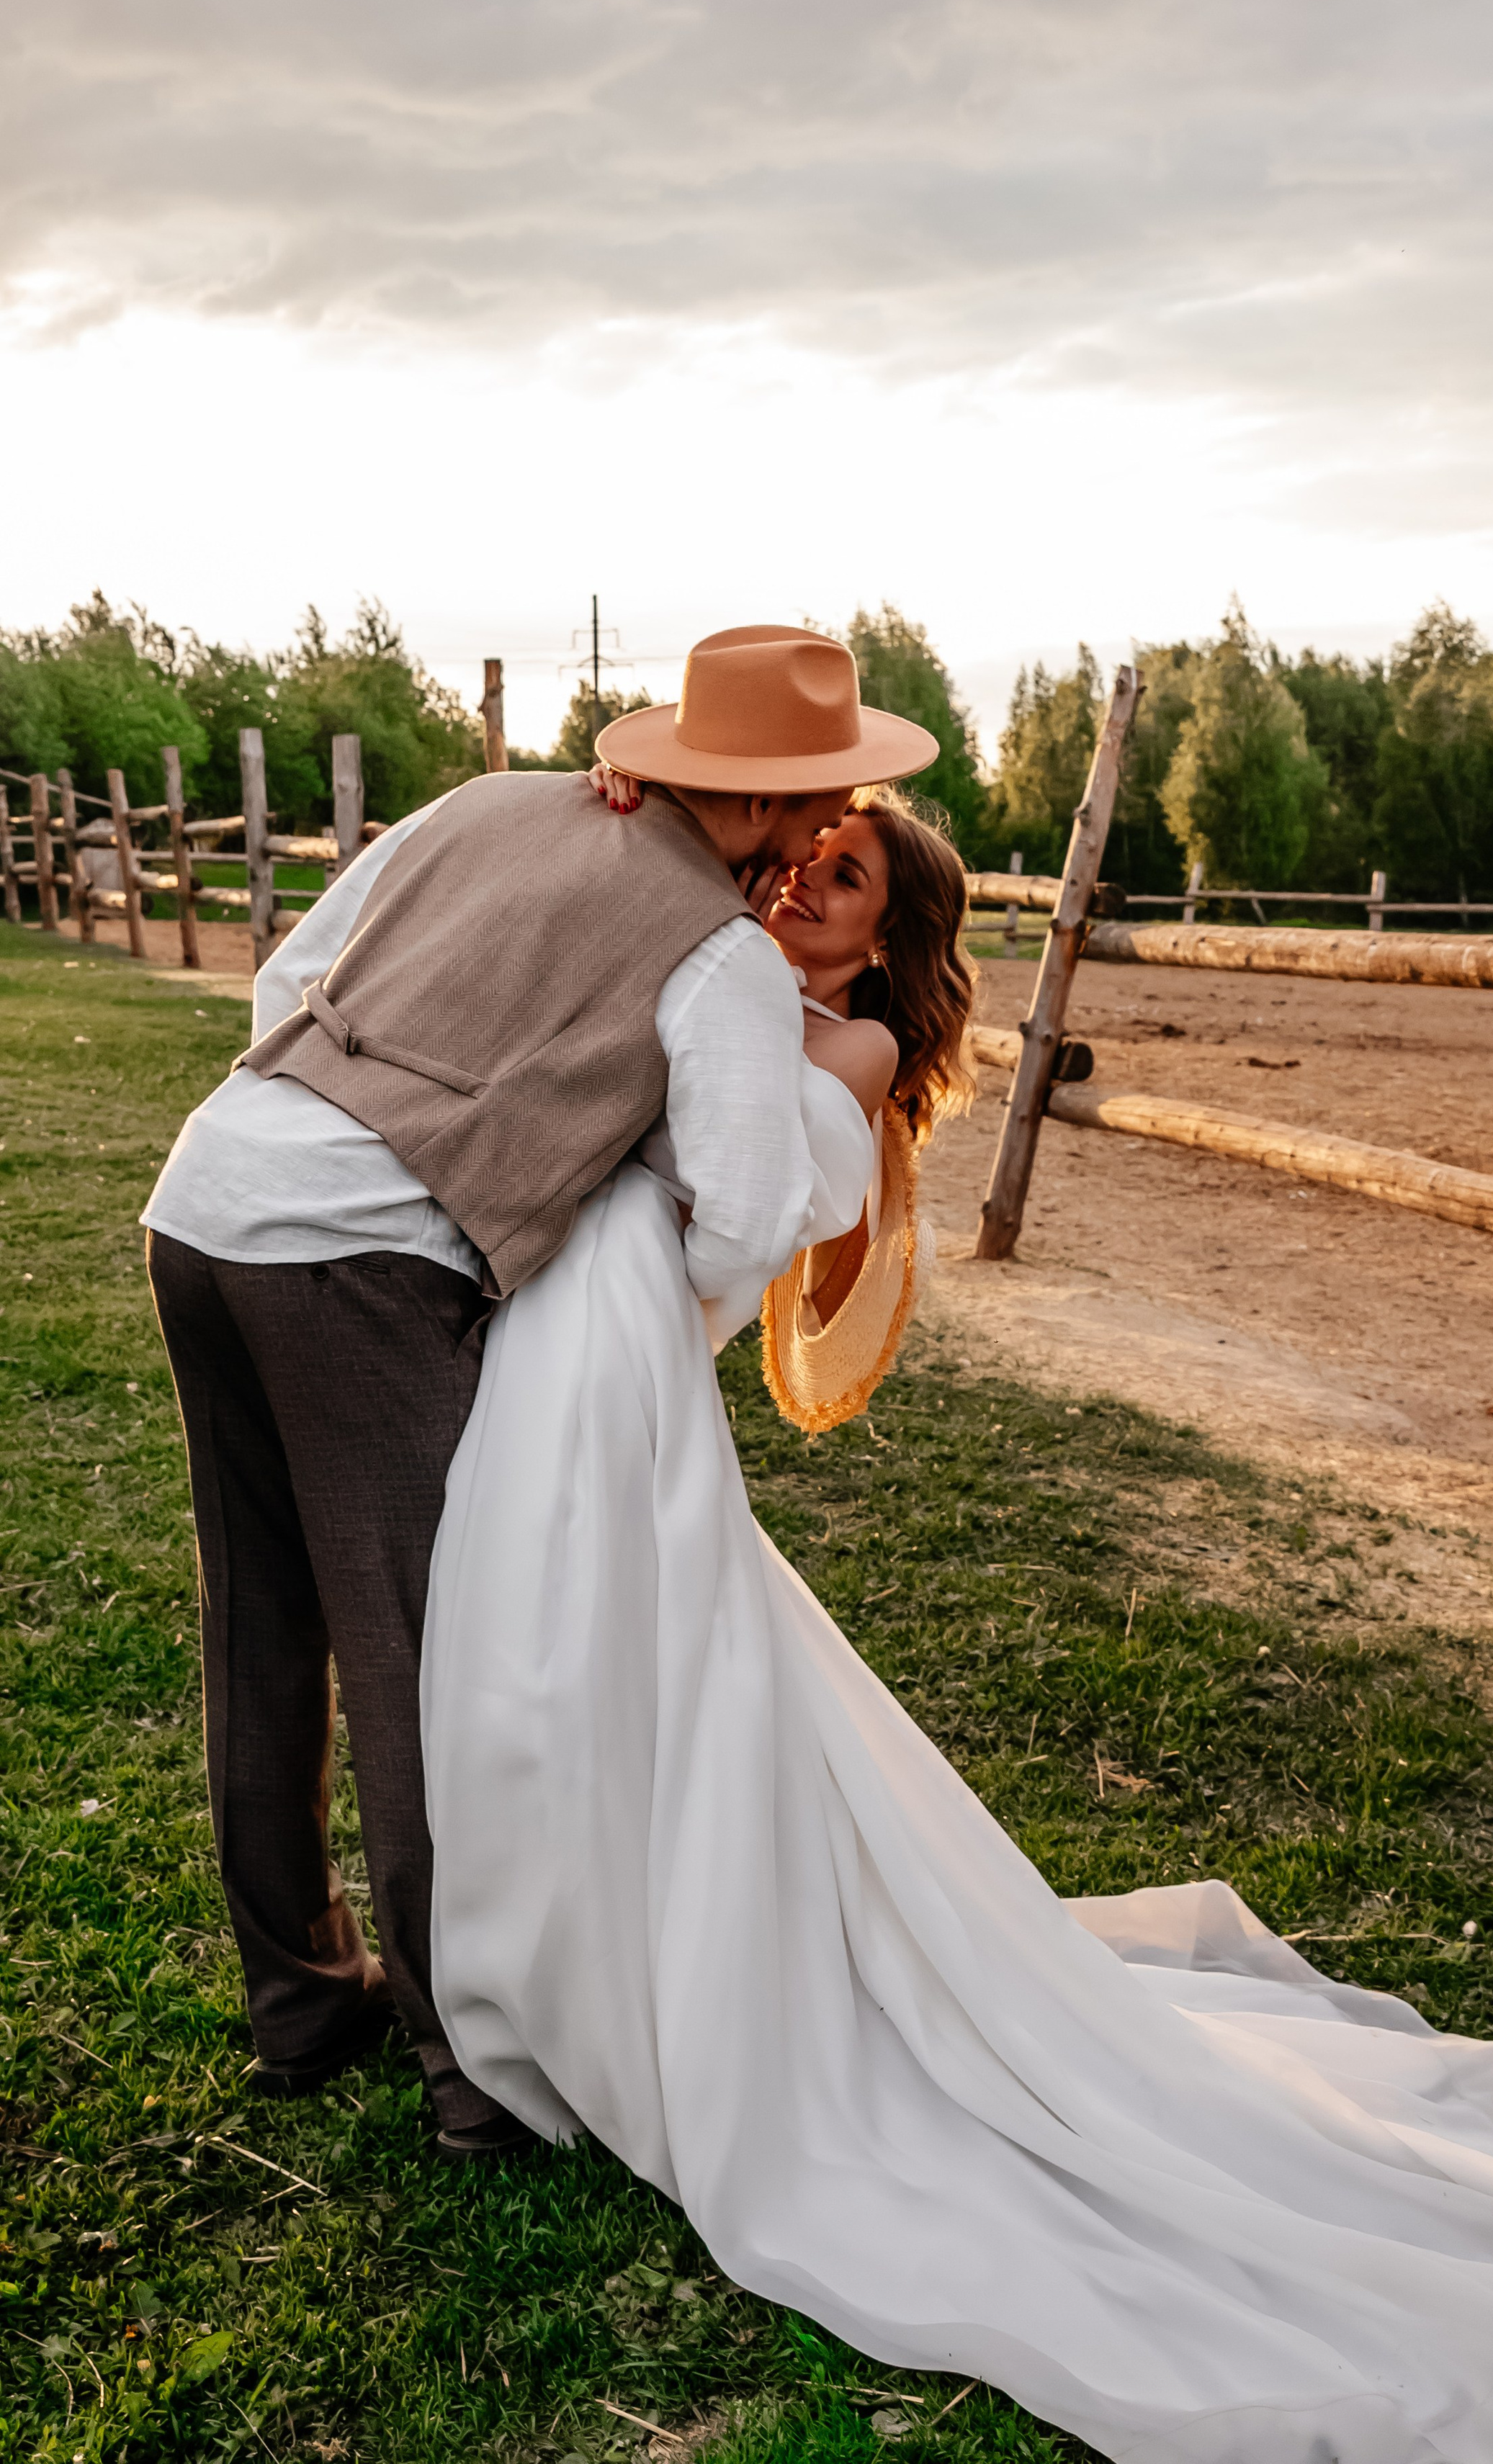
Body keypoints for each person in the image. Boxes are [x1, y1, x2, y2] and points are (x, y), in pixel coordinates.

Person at [423, 765, 1493, 2463]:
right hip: (585, 1356)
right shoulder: (711, 965)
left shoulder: (829, 1049)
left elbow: (719, 1194)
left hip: (620, 1373)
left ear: (887, 949)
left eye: (839, 883)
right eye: (802, 859)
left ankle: (627, 1991)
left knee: (603, 1675)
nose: (798, 889)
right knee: (590, 1684)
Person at [141, 624, 938, 2156]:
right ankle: (473, 2073)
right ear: (772, 804)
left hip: (206, 1196)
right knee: (426, 1668)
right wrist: (562, 1199)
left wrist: (337, 1121)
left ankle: (302, 2004)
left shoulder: (484, 803)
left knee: (261, 1618)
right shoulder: (712, 954)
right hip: (352, 1268)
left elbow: (293, 976)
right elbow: (754, 1212)